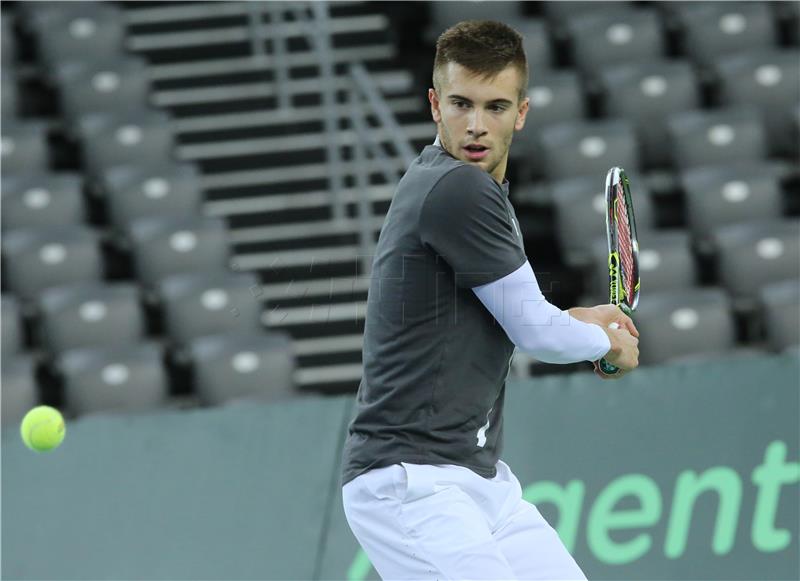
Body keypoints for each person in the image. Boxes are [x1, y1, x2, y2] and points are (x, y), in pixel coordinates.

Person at [340, 20, 640, 581]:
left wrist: (579, 320)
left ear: (521, 112)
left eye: (496, 107)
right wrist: (608, 344)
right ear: (434, 104)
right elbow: (537, 333)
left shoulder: (472, 192)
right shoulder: (459, 189)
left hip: (480, 483)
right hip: (413, 485)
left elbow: (508, 318)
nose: (476, 126)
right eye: (461, 104)